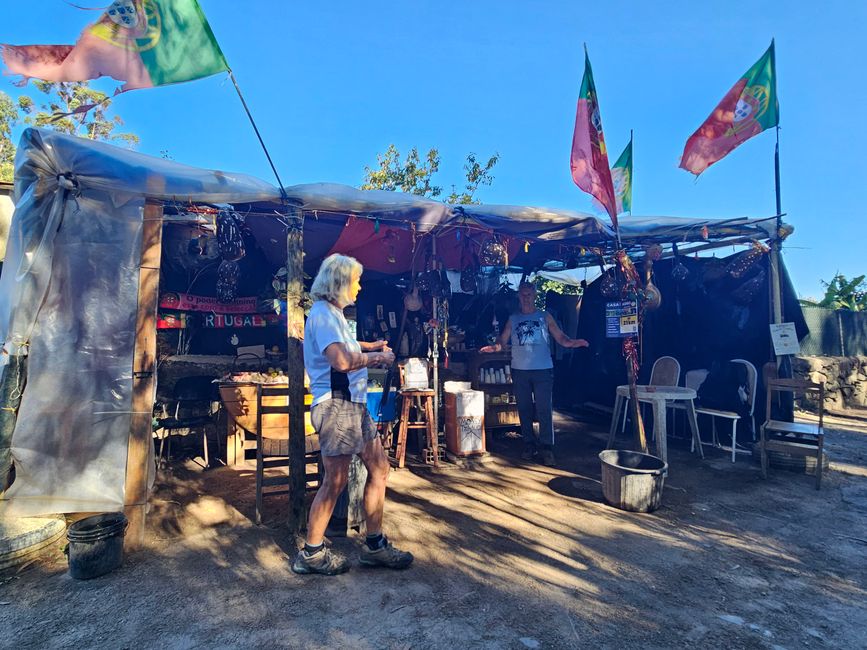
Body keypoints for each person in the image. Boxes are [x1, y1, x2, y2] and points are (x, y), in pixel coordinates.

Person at [293, 254, 413, 575]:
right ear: (339, 282)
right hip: (338, 406)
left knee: (380, 468)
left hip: (352, 405)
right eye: (355, 281)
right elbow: (341, 361)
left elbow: (344, 344)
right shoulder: (322, 315)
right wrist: (377, 358)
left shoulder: (333, 315)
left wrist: (369, 344)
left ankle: (374, 545)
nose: (359, 287)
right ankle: (311, 553)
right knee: (335, 481)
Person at [480, 281, 589, 466]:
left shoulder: (544, 317)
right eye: (523, 294)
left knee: (544, 409)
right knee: (524, 408)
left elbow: (560, 337)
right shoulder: (513, 319)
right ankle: (529, 444)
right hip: (520, 370)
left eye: (529, 294)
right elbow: (503, 340)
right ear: (518, 296)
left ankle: (547, 447)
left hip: (543, 369)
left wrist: (571, 343)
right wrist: (495, 347)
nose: (526, 297)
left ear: (535, 296)